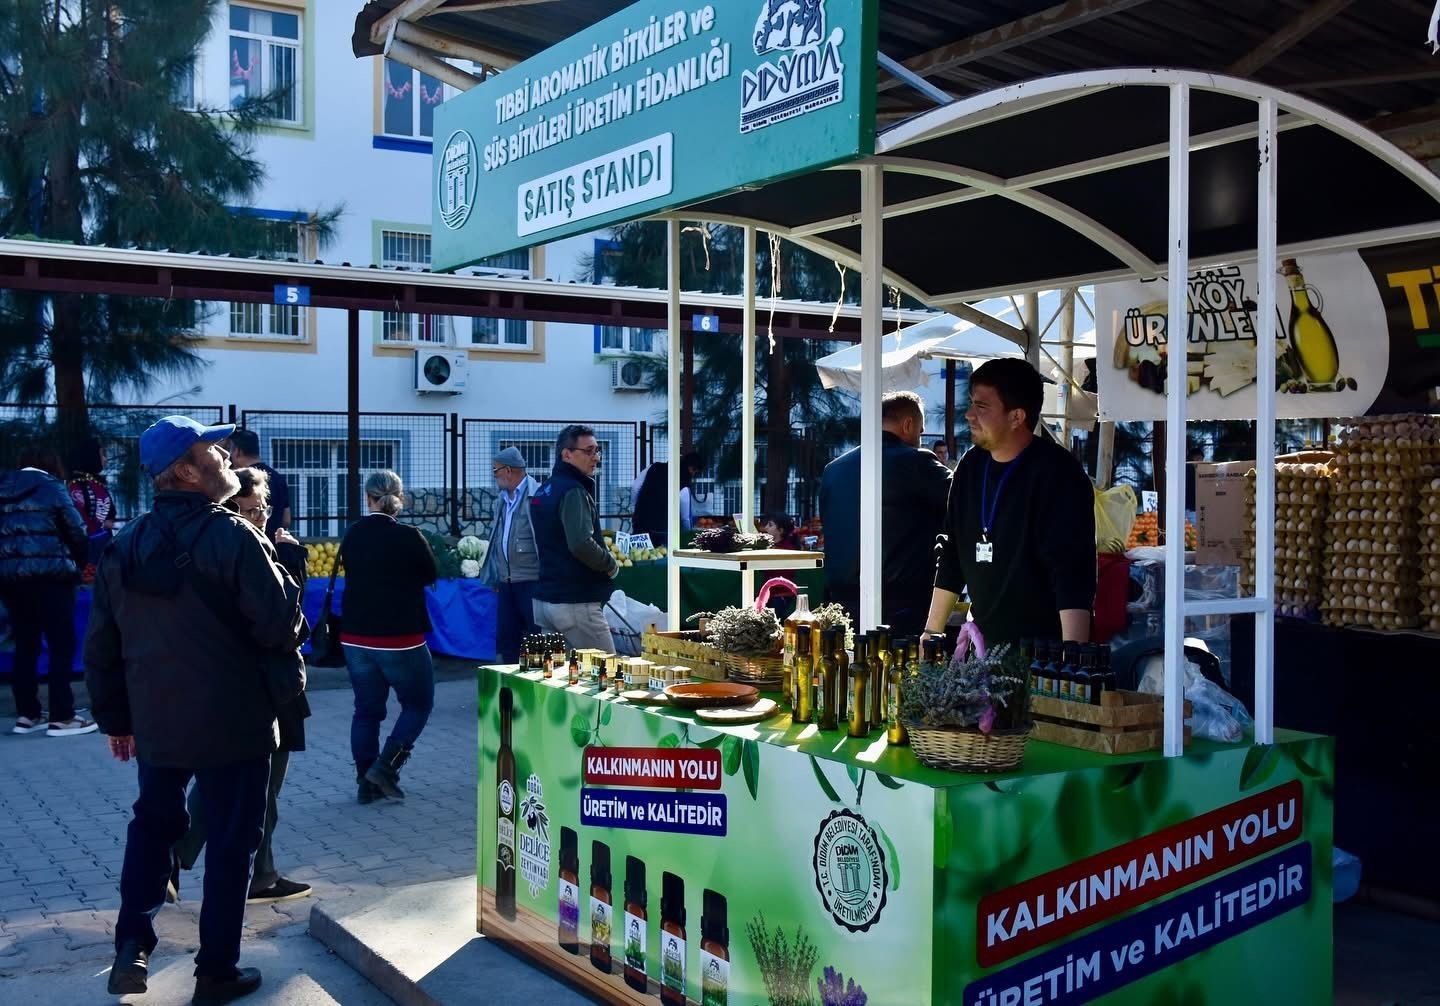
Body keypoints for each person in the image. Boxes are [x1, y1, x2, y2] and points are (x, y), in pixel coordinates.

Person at [84, 415, 307, 1002]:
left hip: (158, 721)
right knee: (232, 846)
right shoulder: (234, 536)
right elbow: (280, 626)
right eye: (213, 449)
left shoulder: (124, 544)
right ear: (184, 469)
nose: (227, 456)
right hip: (235, 720)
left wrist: (117, 721)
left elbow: (101, 646)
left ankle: (131, 947)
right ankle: (216, 972)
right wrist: (287, 578)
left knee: (153, 829)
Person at [172, 467, 313, 906]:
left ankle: (263, 874)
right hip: (249, 687)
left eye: (265, 508)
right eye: (253, 510)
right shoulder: (238, 550)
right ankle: (171, 858)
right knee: (227, 785)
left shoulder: (262, 546)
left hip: (276, 686)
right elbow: (280, 623)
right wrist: (290, 568)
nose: (262, 517)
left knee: (266, 789)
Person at [923, 358, 1097, 647]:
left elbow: (1073, 577)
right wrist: (931, 633)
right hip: (981, 651)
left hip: (1042, 656)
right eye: (971, 403)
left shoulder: (1058, 474)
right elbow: (952, 554)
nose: (968, 415)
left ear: (1017, 416)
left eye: (981, 406)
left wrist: (1072, 660)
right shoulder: (970, 466)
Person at [339, 470, 438, 802]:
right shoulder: (410, 536)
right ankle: (384, 769)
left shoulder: (352, 534)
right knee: (418, 703)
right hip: (399, 637)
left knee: (366, 710)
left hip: (354, 635)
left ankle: (365, 783)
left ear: (368, 499)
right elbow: (430, 574)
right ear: (400, 499)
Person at [819, 391, 952, 635]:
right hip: (900, 602)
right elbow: (964, 499)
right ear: (908, 424)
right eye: (921, 431)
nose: (921, 438)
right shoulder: (916, 461)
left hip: (841, 602)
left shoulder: (833, 469)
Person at [0, 446, 95, 736]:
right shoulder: (52, 487)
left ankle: (27, 715)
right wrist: (78, 564)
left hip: (12, 580)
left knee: (25, 645)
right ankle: (62, 716)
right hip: (53, 577)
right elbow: (77, 530)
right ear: (52, 464)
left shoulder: (3, 488)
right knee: (61, 645)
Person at [530, 424, 619, 651]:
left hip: (546, 601)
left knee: (562, 681)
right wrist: (610, 564)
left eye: (597, 450)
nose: (596, 457)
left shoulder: (544, 490)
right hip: (575, 602)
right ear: (567, 454)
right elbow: (580, 543)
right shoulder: (573, 491)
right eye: (588, 451)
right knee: (608, 675)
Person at [480, 447, 541, 664]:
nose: (494, 476)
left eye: (495, 471)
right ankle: (510, 690)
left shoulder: (537, 495)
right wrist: (496, 572)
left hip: (532, 579)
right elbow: (498, 536)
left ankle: (543, 689)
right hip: (506, 581)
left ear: (508, 470)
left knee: (539, 638)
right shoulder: (502, 500)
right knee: (508, 640)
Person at [226, 428, 290, 540]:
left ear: (237, 451)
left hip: (246, 546)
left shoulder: (235, 481)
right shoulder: (278, 478)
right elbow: (286, 519)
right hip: (274, 546)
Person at [630, 451, 703, 545]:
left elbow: (635, 487)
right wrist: (688, 535)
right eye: (693, 470)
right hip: (663, 531)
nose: (693, 474)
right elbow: (686, 518)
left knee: (639, 556)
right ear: (687, 466)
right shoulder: (683, 486)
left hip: (641, 524)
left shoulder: (653, 467)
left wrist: (634, 509)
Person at [66, 437, 117, 567]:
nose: (105, 459)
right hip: (89, 550)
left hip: (102, 546)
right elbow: (80, 520)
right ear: (90, 457)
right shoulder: (76, 485)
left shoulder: (95, 482)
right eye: (102, 455)